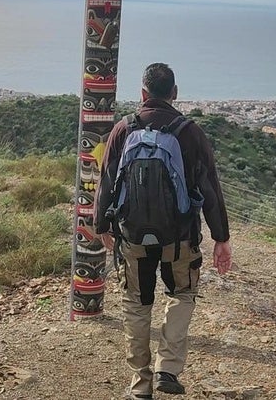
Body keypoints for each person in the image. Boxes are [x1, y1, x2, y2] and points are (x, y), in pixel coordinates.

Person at [94, 63, 232, 399]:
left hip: (133, 237)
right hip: (180, 238)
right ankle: (167, 369)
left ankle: (140, 384)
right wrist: (221, 238)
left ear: (143, 93)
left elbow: (106, 181)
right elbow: (210, 188)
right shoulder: (190, 132)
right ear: (174, 93)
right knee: (181, 295)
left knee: (137, 304)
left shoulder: (123, 130)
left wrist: (101, 226)